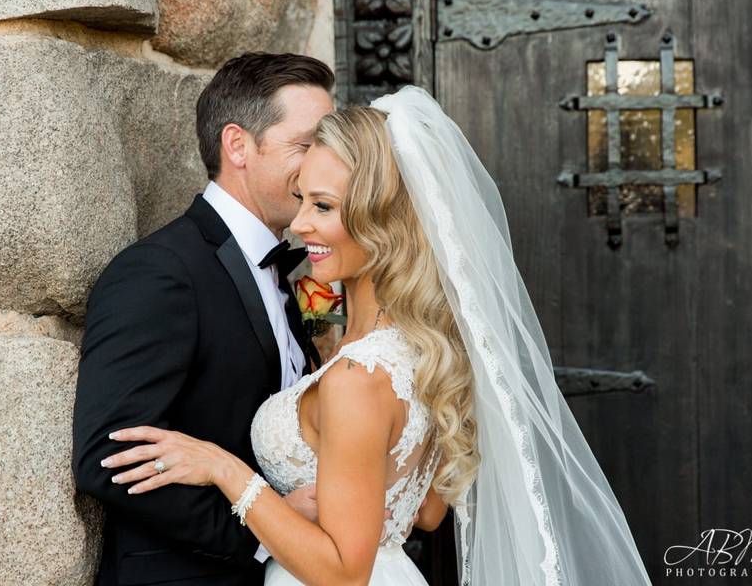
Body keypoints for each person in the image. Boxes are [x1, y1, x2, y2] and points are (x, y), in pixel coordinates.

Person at [101, 86, 654, 586]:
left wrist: (228, 472)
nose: (300, 224)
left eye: (323, 206)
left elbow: (344, 573)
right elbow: (427, 511)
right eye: (302, 200)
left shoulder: (359, 376)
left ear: (382, 221)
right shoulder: (417, 351)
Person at [72, 52, 336, 586]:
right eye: (306, 145)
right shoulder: (160, 271)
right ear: (238, 145)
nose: (322, 166)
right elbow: (109, 456)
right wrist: (261, 529)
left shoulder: (286, 274)